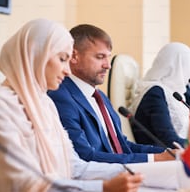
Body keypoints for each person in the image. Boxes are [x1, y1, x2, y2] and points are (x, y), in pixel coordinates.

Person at [0, 18, 143, 192]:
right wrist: (104, 188)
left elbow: (74, 167)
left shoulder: (45, 105)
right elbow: (24, 183)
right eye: (62, 59)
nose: (67, 70)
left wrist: (139, 172)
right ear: (36, 57)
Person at [48, 24, 176, 164]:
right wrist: (156, 159)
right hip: (98, 180)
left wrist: (168, 153)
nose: (107, 65)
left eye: (108, 57)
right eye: (100, 57)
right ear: (74, 56)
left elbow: (122, 146)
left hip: (120, 172)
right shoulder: (60, 96)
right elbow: (85, 156)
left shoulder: (100, 97)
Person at [129, 42, 190, 149]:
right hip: (159, 159)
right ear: (177, 66)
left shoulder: (175, 93)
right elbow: (170, 141)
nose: (189, 74)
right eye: (187, 67)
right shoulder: (155, 93)